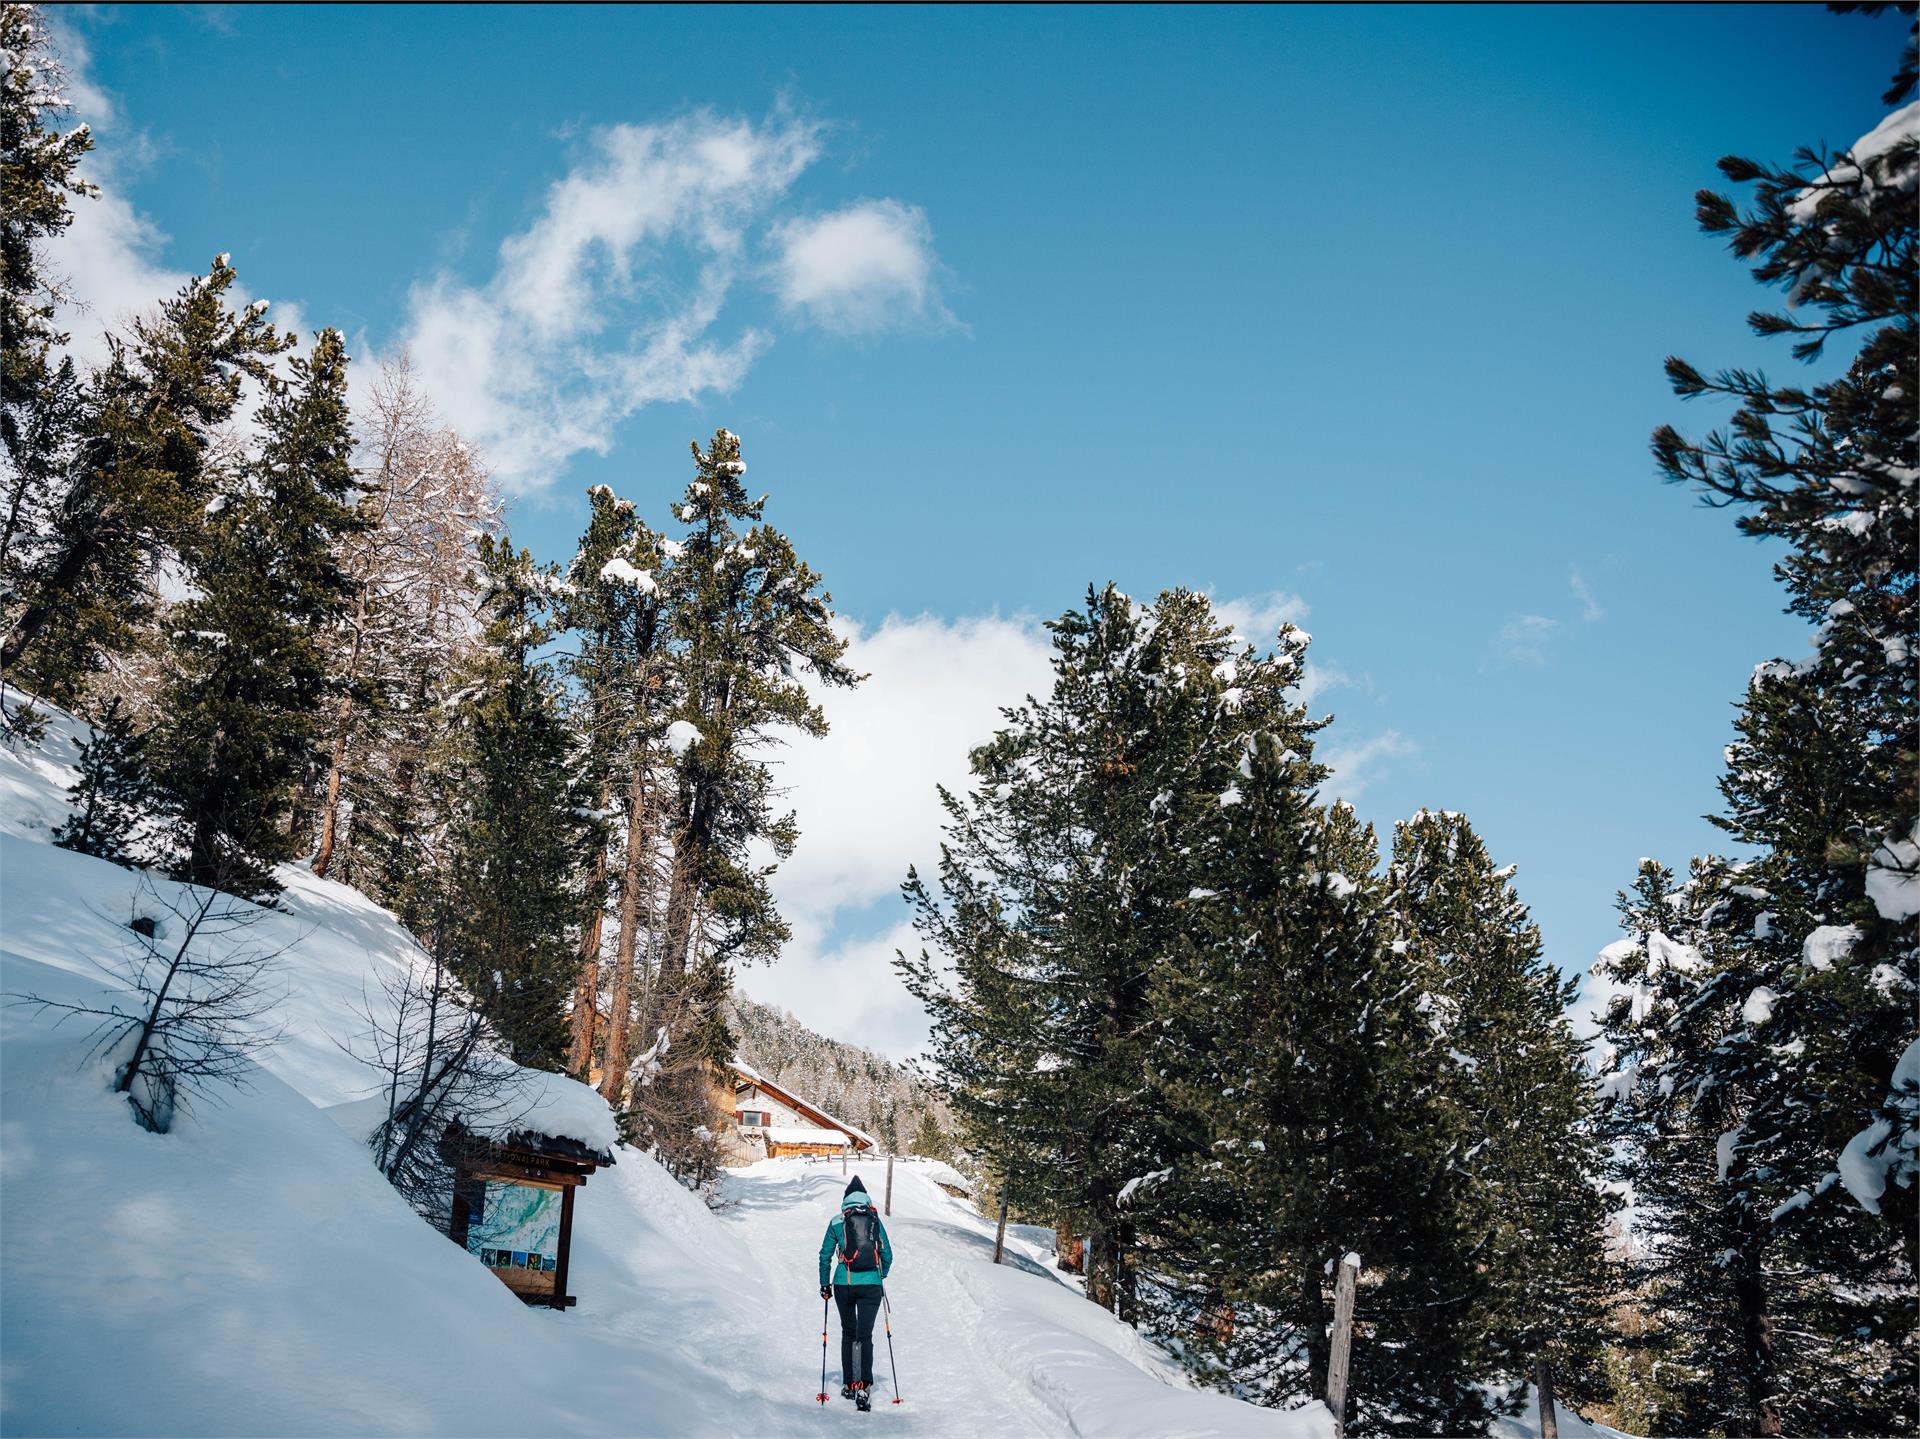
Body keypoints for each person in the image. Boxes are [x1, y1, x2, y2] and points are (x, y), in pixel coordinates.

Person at [818, 1174, 893, 1411]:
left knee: (849, 1332)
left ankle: (849, 1384)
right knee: (865, 1334)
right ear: (865, 1197)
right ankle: (864, 1386)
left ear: (845, 1199)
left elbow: (824, 1255)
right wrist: (880, 1275)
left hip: (844, 1284)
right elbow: (887, 1254)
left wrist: (824, 1284)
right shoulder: (874, 1220)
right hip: (871, 1285)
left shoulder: (837, 1221)